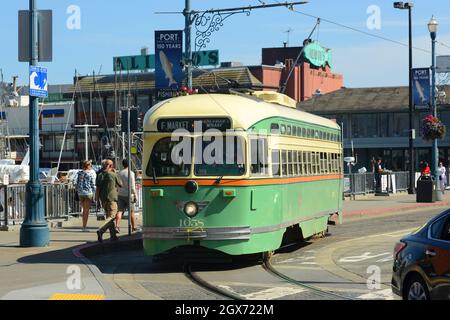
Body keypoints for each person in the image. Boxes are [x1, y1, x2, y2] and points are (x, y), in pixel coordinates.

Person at [95, 159, 123, 242]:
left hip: (103, 199)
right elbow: (120, 184)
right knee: (112, 216)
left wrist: (97, 200)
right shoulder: (113, 174)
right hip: (112, 199)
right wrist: (116, 173)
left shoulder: (100, 175)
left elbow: (98, 189)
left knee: (109, 217)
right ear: (111, 166)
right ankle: (101, 230)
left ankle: (113, 236)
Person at [116, 159, 138, 233]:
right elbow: (132, 185)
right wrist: (135, 194)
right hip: (129, 195)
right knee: (131, 211)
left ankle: (117, 226)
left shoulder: (119, 173)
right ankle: (134, 227)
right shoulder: (131, 173)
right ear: (129, 164)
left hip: (121, 194)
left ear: (123, 164)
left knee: (119, 211)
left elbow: (117, 184)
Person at [76, 160, 96, 232]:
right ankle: (84, 227)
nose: (91, 166)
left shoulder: (80, 173)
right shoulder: (91, 173)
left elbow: (77, 182)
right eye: (90, 164)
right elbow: (93, 184)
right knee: (86, 210)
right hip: (88, 193)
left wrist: (78, 190)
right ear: (88, 165)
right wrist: (95, 193)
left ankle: (83, 225)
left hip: (80, 193)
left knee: (84, 210)